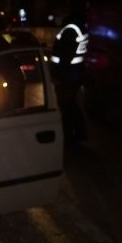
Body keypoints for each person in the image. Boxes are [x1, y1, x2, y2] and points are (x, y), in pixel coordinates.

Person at [51, 10, 89, 144]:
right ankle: (79, 133)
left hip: (67, 75)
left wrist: (58, 76)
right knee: (71, 104)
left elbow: (64, 55)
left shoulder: (69, 30)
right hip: (74, 73)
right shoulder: (79, 29)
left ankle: (70, 135)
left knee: (66, 105)